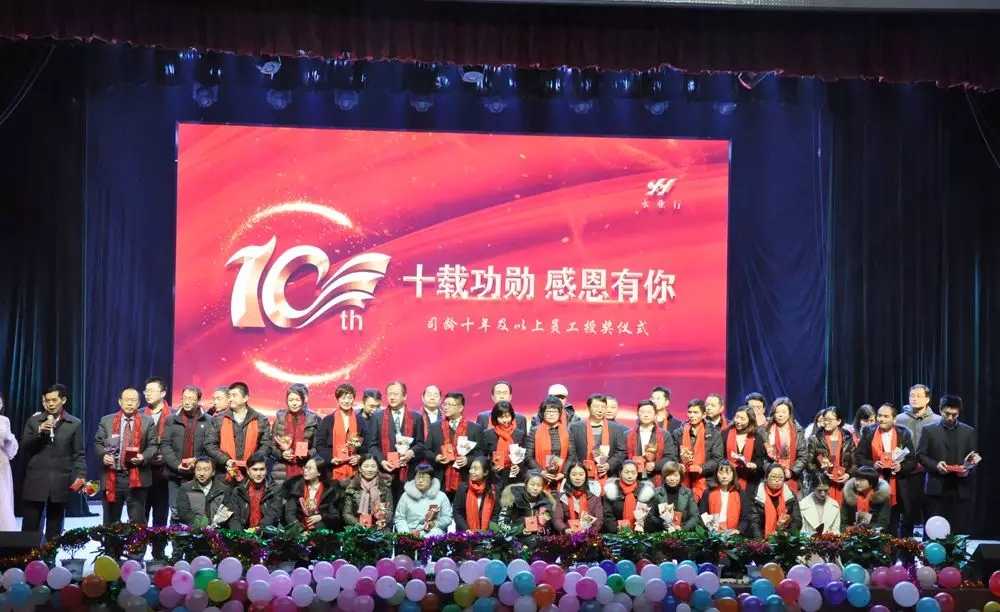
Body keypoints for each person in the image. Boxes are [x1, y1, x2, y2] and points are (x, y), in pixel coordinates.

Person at [20, 384, 87, 542]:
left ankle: (50, 555)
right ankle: (26, 556)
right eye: (47, 400)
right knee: (30, 526)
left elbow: (78, 454)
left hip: (60, 481)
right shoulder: (35, 421)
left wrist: (81, 475)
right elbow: (24, 447)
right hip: (36, 480)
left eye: (54, 400)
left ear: (63, 400)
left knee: (55, 528)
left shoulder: (74, 423)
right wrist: (39, 432)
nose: (50, 404)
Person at [93, 387, 159, 526]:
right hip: (113, 476)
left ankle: (137, 542)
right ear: (120, 402)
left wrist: (142, 457)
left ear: (138, 403)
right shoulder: (107, 420)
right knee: (111, 523)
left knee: (138, 524)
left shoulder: (148, 421)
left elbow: (153, 446)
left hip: (137, 477)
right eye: (127, 400)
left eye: (133, 400)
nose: (129, 403)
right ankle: (111, 541)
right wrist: (103, 455)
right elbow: (98, 443)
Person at [916, 394, 977, 532]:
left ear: (959, 412)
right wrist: (936, 465)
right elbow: (920, 455)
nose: (950, 418)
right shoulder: (929, 430)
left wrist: (968, 469)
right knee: (933, 530)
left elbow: (974, 457)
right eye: (947, 414)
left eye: (954, 415)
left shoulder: (968, 431)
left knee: (958, 530)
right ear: (940, 409)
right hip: (936, 487)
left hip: (960, 487)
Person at [855, 402, 916, 537]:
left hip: (897, 486)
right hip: (874, 484)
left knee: (894, 524)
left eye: (886, 416)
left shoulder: (903, 433)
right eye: (879, 415)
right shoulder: (868, 432)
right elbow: (859, 457)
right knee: (874, 524)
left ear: (894, 419)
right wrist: (873, 464)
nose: (881, 419)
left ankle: (893, 549)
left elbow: (912, 460)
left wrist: (901, 467)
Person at [365, 381, 427, 506]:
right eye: (389, 394)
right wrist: (382, 461)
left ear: (405, 396)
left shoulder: (416, 417)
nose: (392, 397)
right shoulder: (377, 416)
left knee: (406, 508)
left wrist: (411, 453)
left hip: (408, 472)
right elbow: (372, 445)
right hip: (385, 472)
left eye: (395, 394)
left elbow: (421, 444)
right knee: (384, 509)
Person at [895, 383, 942, 538]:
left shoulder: (937, 420)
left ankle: (929, 548)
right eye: (912, 396)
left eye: (918, 396)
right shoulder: (899, 419)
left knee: (930, 514)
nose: (914, 399)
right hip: (906, 474)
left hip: (930, 474)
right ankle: (904, 548)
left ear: (927, 399)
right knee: (906, 515)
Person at [160, 386, 212, 520]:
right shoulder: (171, 419)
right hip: (175, 474)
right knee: (175, 512)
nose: (187, 401)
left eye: (191, 398)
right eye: (184, 398)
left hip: (198, 475)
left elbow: (210, 447)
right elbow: (165, 445)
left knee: (197, 513)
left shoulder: (208, 421)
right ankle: (175, 534)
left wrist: (197, 461)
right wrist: (177, 465)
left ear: (198, 401)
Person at [205, 382, 272, 484]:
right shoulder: (218, 419)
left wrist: (254, 461)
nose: (230, 399)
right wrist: (226, 460)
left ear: (245, 398)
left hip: (252, 474)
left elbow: (267, 445)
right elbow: (209, 444)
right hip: (224, 474)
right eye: (229, 396)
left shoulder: (260, 419)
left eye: (234, 395)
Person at [425, 392, 486, 500]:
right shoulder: (435, 427)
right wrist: (436, 458)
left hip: (465, 479)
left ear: (460, 407)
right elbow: (426, 451)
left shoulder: (474, 428)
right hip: (440, 480)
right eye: (445, 404)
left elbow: (481, 454)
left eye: (449, 404)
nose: (445, 407)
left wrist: (467, 460)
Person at [568, 394, 627, 490]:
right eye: (596, 406)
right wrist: (579, 469)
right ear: (588, 407)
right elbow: (572, 452)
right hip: (582, 477)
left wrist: (609, 465)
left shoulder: (616, 428)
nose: (600, 410)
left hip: (609, 478)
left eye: (603, 407)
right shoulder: (576, 427)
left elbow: (621, 451)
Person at [141, 376, 173, 554]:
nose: (148, 394)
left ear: (163, 393)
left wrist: (166, 457)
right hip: (142, 473)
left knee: (161, 516)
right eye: (146, 391)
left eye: (152, 391)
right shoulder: (139, 414)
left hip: (164, 474)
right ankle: (137, 553)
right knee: (140, 516)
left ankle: (158, 554)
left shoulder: (174, 414)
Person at [270, 385, 319, 488]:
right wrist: (281, 454)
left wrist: (308, 454)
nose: (294, 403)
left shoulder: (312, 420)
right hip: (281, 471)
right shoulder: (280, 420)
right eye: (291, 400)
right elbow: (271, 446)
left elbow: (317, 447)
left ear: (303, 400)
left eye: (297, 400)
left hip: (304, 469)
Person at [525, 396, 577, 492]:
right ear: (542, 413)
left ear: (559, 413)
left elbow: (572, 455)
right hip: (540, 479)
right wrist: (542, 472)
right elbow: (528, 457)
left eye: (554, 411)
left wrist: (563, 473)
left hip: (561, 479)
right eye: (548, 411)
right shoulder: (534, 432)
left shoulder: (567, 432)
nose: (551, 414)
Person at [315, 383, 366, 481]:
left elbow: (366, 445)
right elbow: (320, 444)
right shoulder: (327, 420)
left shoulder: (360, 421)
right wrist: (331, 459)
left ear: (354, 399)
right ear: (337, 399)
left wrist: (359, 457)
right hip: (331, 470)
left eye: (350, 398)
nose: (346, 401)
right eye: (343, 398)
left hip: (355, 471)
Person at [806, 406, 855, 504]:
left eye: (830, 420)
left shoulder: (848, 438)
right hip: (823, 485)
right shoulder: (815, 439)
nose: (826, 422)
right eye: (824, 419)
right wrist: (821, 473)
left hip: (842, 484)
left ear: (839, 421)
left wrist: (848, 474)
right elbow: (808, 463)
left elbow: (855, 462)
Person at [223, 452, 283, 530]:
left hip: (266, 533)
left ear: (266, 470)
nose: (258, 473)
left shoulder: (275, 490)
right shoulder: (238, 491)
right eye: (255, 469)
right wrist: (239, 534)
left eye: (262, 469)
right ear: (248, 471)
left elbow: (272, 515)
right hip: (243, 533)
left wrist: (258, 530)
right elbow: (234, 517)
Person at [393, 462, 453, 536]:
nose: (420, 480)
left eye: (424, 477)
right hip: (410, 533)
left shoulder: (441, 496)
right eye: (418, 477)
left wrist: (436, 524)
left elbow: (447, 518)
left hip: (433, 534)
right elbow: (400, 518)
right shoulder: (405, 496)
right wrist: (407, 535)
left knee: (436, 533)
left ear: (431, 479)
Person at [283, 456, 341, 531]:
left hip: (319, 530)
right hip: (299, 527)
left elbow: (335, 516)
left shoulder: (330, 490)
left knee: (319, 527)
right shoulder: (295, 487)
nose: (305, 470)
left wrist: (321, 516)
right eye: (305, 467)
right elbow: (290, 514)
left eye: (309, 468)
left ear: (319, 472)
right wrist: (301, 530)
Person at [748, 463, 802, 539]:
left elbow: (797, 521)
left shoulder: (790, 496)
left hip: (785, 537)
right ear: (766, 477)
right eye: (773, 477)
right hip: (762, 538)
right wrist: (761, 542)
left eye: (780, 477)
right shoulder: (757, 496)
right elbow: (754, 523)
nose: (777, 480)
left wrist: (785, 534)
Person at [174, 457, 231, 527]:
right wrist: (203, 525)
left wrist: (212, 526)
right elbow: (183, 513)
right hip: (192, 528)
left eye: (206, 469)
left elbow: (226, 510)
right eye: (198, 469)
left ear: (213, 472)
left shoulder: (223, 490)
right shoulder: (186, 488)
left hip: (217, 529)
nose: (201, 473)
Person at [483, 401, 527, 491]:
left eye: (507, 416)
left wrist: (519, 466)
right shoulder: (488, 434)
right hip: (495, 477)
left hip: (514, 476)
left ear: (512, 416)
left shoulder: (519, 434)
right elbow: (482, 455)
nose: (505, 420)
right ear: (495, 417)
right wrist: (491, 466)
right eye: (501, 417)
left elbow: (524, 456)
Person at [341, 455, 394, 530]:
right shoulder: (352, 486)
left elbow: (389, 511)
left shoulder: (385, 486)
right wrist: (361, 525)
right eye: (366, 466)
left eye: (373, 466)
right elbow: (347, 514)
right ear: (360, 469)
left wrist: (378, 525)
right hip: (357, 528)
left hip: (380, 528)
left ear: (377, 468)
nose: (370, 470)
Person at [646, 462, 701, 532]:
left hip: (683, 534)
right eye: (669, 475)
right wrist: (662, 524)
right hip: (661, 533)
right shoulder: (656, 493)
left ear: (681, 476)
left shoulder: (688, 493)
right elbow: (651, 516)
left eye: (676, 475)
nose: (672, 479)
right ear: (664, 476)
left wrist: (682, 529)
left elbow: (695, 516)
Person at [602, 461, 656, 533]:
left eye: (633, 473)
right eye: (626, 472)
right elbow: (607, 515)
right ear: (620, 473)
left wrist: (644, 524)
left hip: (641, 533)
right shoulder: (611, 490)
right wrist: (616, 529)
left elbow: (651, 515)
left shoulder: (645, 491)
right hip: (616, 534)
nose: (630, 476)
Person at [698, 461, 749, 536]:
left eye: (727, 473)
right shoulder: (708, 493)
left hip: (734, 534)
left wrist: (738, 530)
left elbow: (745, 519)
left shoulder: (741, 494)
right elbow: (702, 515)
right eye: (721, 473)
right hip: (712, 534)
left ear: (733, 474)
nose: (724, 476)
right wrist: (710, 529)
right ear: (716, 474)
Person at [552, 462, 604, 534]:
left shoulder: (594, 496)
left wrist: (589, 532)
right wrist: (565, 530)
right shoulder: (562, 495)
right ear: (568, 476)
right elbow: (557, 518)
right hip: (568, 534)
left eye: (581, 474)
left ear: (586, 476)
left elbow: (599, 520)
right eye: (574, 474)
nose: (577, 478)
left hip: (588, 534)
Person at [499, 470, 556, 535]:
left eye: (539, 485)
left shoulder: (547, 503)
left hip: (537, 537)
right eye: (532, 484)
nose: (535, 488)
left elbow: (547, 527)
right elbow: (502, 524)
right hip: (516, 537)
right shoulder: (513, 497)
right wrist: (521, 530)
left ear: (542, 487)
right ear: (526, 485)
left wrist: (542, 529)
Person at [453, 457, 500, 532]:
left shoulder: (494, 490)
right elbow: (457, 512)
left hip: (487, 534)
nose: (471, 471)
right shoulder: (463, 488)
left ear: (485, 472)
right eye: (471, 468)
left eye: (475, 469)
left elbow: (495, 514)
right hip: (465, 533)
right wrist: (466, 529)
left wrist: (489, 532)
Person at [0, 392, 18, 530]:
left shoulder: (4, 420)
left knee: (3, 497)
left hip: (1, 461)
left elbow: (10, 447)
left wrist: (8, 439)